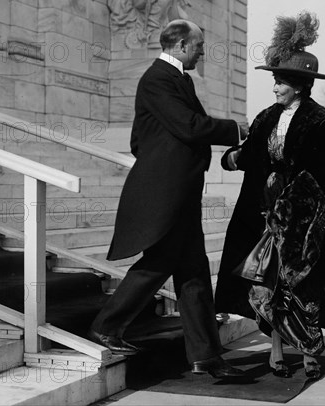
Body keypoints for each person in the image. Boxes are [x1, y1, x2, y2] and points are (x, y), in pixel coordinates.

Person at [87, 20, 249, 379]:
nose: (203, 51)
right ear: (179, 45)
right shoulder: (158, 78)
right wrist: (237, 129)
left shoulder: (175, 79)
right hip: (167, 195)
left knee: (193, 272)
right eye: (198, 45)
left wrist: (166, 159)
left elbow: (140, 139)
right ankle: (106, 326)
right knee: (162, 260)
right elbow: (190, 126)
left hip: (179, 192)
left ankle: (206, 355)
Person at [215, 12, 325, 381]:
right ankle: (276, 349)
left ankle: (311, 352)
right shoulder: (266, 117)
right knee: (267, 285)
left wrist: (286, 194)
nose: (275, 86)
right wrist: (229, 159)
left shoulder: (320, 121)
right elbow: (248, 155)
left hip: (304, 219)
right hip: (263, 217)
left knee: (303, 285)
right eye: (275, 80)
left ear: (298, 85)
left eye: (280, 81)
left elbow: (318, 172)